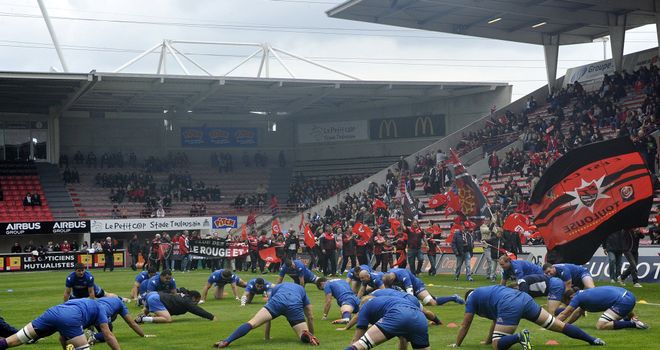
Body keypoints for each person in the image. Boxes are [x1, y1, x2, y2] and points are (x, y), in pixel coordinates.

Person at [451, 285, 605, 349]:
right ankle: (593, 340)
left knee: (497, 345)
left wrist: (457, 344)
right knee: (558, 325)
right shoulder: (486, 294)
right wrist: (487, 340)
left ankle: (520, 337)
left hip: (509, 304)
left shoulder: (471, 298)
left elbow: (466, 323)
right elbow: (496, 321)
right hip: (524, 299)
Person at [213, 283, 319, 348]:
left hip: (277, 302)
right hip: (294, 305)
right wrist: (312, 333)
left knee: (252, 323)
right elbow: (310, 315)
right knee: (301, 335)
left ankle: (227, 340)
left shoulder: (278, 287)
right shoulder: (302, 290)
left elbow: (268, 318)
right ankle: (306, 335)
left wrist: (267, 337)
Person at [0, 298, 121, 350]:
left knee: (11, 341)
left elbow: (63, 337)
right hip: (69, 318)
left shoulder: (85, 302)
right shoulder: (101, 310)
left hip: (52, 312)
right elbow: (108, 336)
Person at [345, 295, 429, 350]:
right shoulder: (386, 301)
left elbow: (356, 340)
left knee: (359, 346)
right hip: (420, 318)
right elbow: (403, 339)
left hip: (398, 314)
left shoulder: (365, 307)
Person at [558, 286, 649, 330]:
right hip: (629, 295)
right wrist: (567, 324)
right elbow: (577, 312)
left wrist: (551, 324)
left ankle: (633, 324)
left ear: (571, 298)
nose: (569, 305)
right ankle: (631, 320)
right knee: (616, 303)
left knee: (600, 325)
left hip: (623, 301)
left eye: (568, 303)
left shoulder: (577, 298)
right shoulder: (584, 294)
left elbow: (565, 313)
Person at [382, 268, 464, 306]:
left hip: (416, 287)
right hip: (404, 288)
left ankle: (454, 297)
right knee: (432, 300)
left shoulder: (403, 275)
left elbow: (410, 294)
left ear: (393, 279)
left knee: (432, 303)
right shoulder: (387, 276)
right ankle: (435, 298)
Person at [88, 296, 153, 345]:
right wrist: (143, 335)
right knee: (108, 334)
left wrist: (91, 329)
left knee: (104, 336)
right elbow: (131, 323)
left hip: (91, 307)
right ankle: (93, 337)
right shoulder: (120, 305)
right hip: (103, 310)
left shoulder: (109, 301)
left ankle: (92, 335)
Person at [136, 290, 216, 324]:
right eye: (197, 302)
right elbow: (197, 310)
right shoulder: (187, 302)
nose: (196, 304)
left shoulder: (184, 295)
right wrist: (211, 317)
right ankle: (142, 319)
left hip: (154, 294)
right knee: (168, 319)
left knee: (155, 314)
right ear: (194, 298)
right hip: (156, 298)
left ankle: (138, 319)